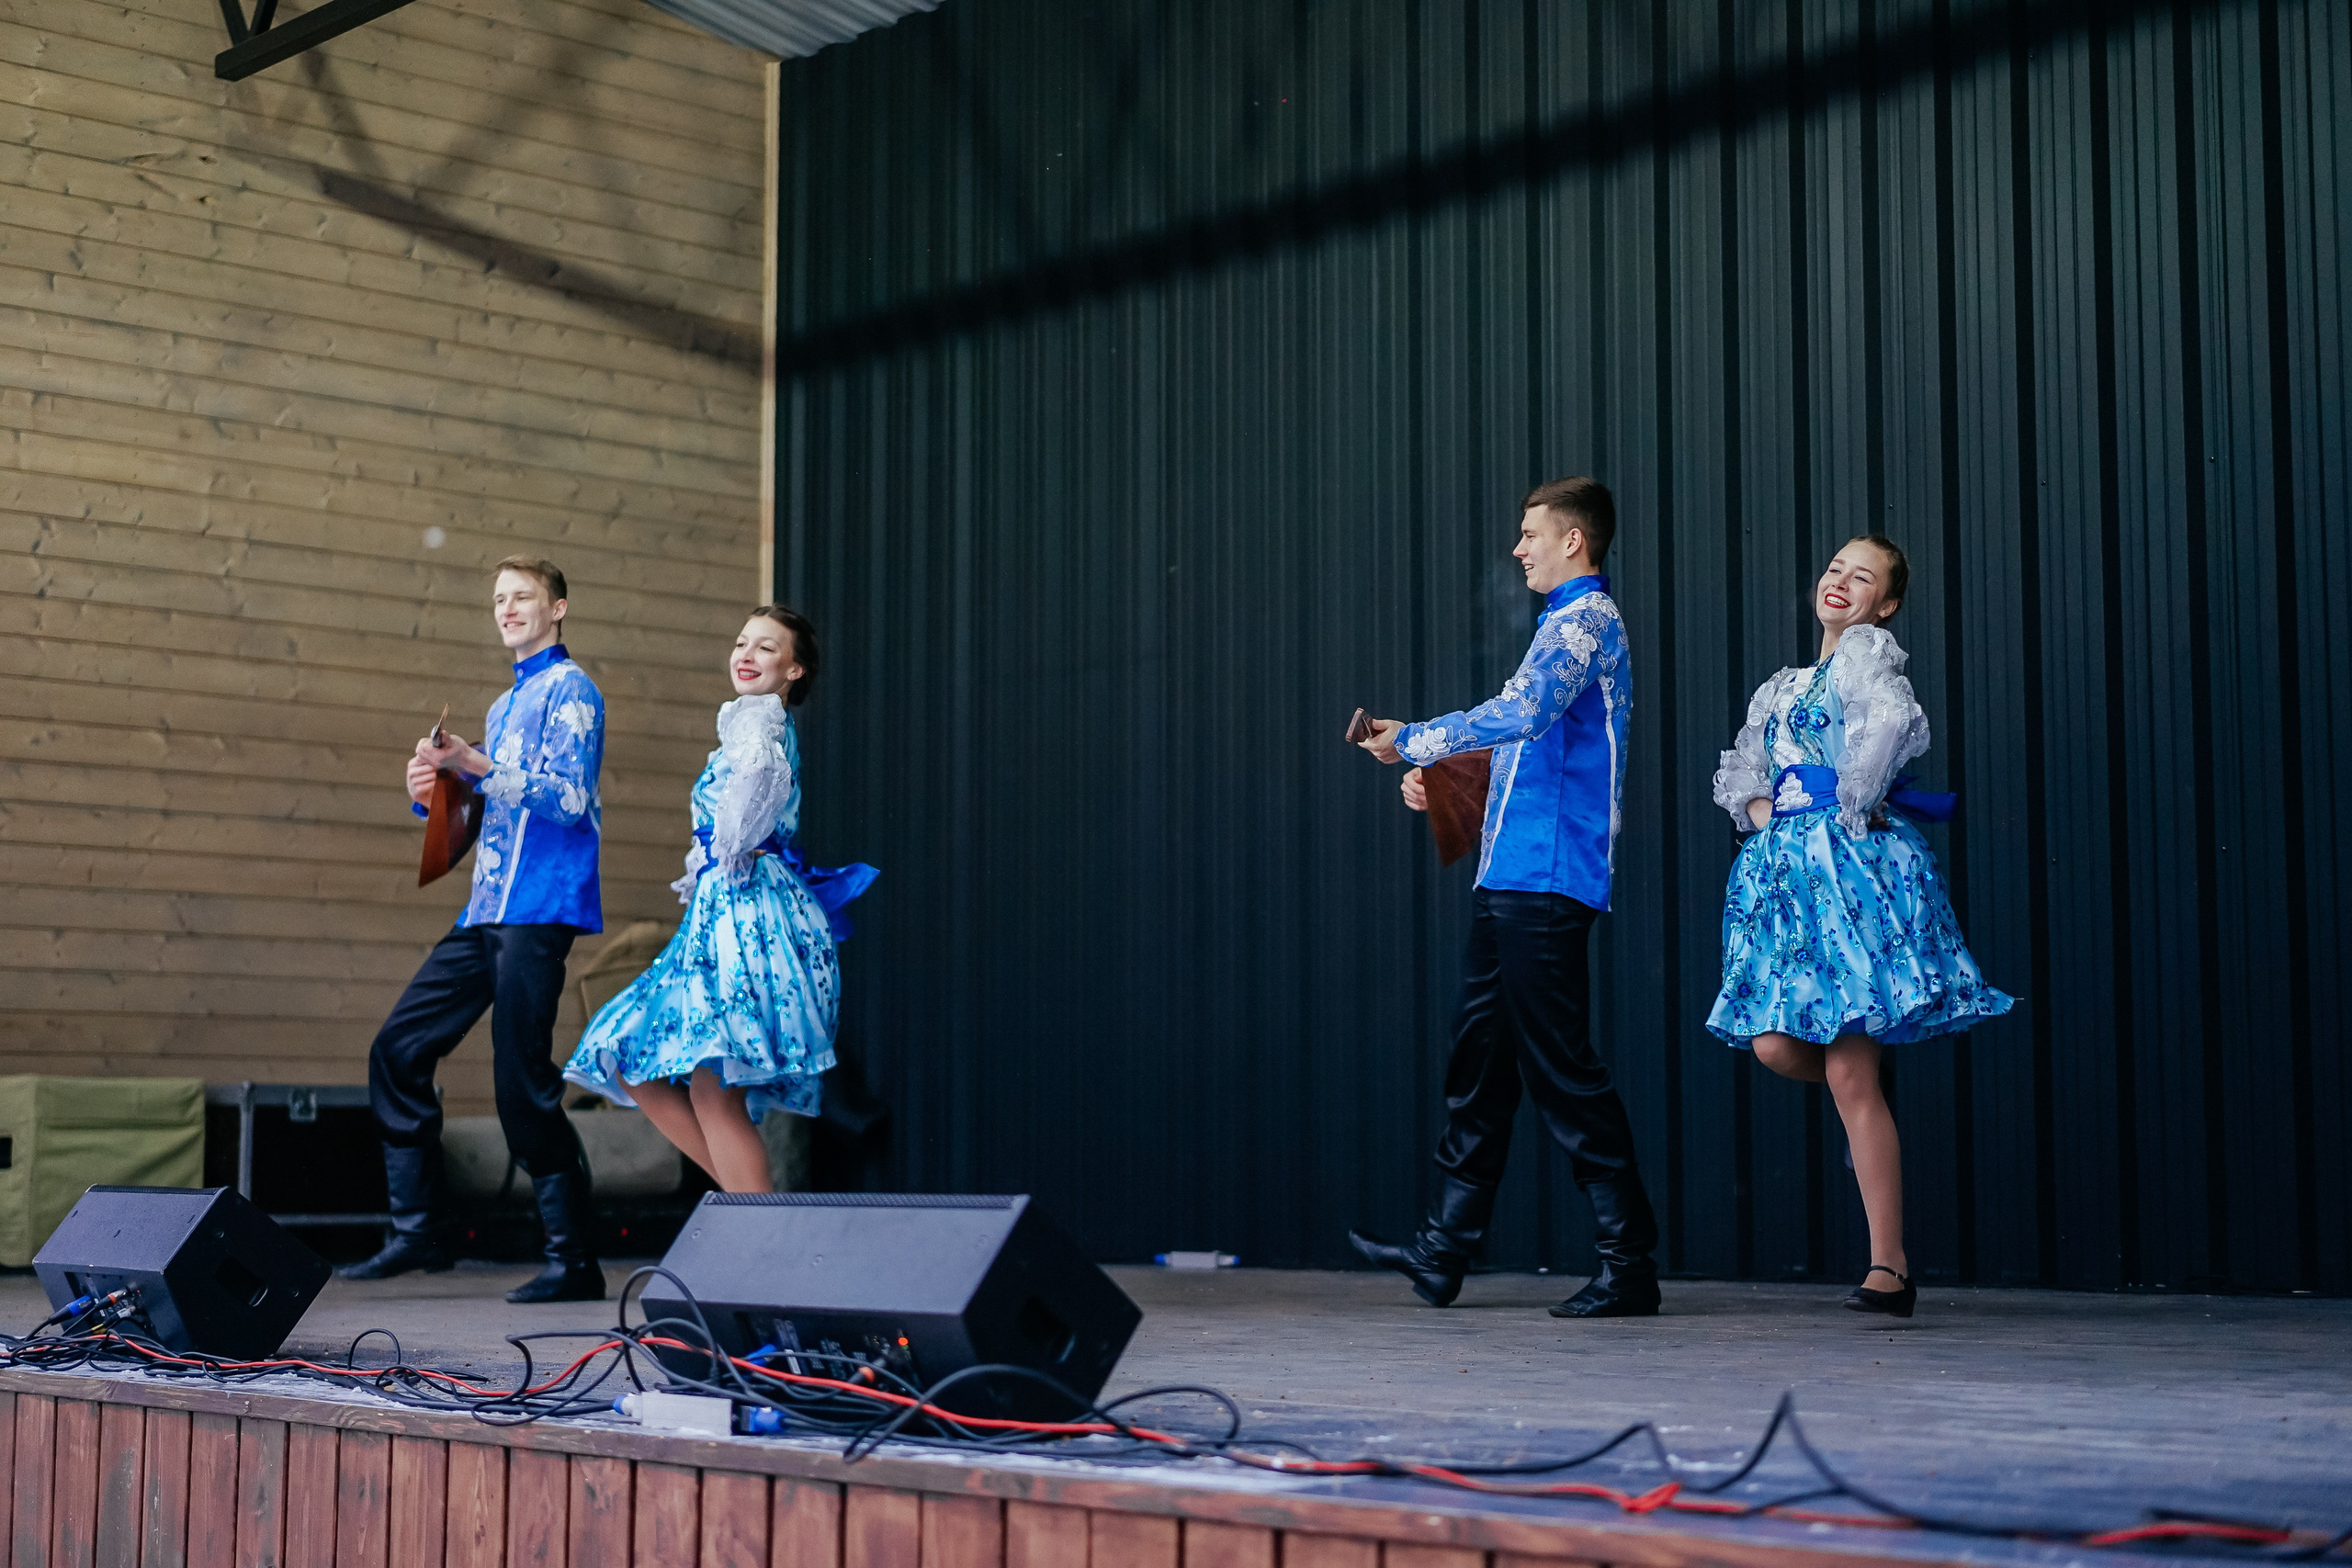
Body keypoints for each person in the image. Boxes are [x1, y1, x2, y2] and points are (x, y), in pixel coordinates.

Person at [1352, 478, 1663, 1319]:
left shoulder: (1585, 620)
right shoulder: (1561, 626)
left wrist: (1415, 739)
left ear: (1575, 542)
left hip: (1547, 879)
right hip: (1512, 874)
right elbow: (1534, 747)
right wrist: (1441, 774)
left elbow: (1524, 712)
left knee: (1561, 1068)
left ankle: (1628, 1262)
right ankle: (1442, 1249)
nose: (1519, 547)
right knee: (1481, 1060)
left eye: (1531, 534)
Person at [1707, 536, 2013, 1318]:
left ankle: (1890, 1266)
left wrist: (1847, 799)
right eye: (1836, 568)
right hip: (1786, 878)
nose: (1842, 582)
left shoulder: (1866, 654)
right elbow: (1743, 767)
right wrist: (1761, 807)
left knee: (1847, 1070)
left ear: (1887, 603)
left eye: (1864, 577)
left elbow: (1891, 720)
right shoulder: (1783, 685)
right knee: (1777, 1044)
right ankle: (1864, 1103)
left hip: (1845, 871)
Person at [343, 557, 609, 1303]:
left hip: (541, 905)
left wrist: (475, 764)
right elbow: (483, 813)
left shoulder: (572, 690)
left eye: (523, 596)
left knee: (520, 1082)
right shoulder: (500, 704)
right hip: (486, 907)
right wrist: (429, 794)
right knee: (398, 1047)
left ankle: (573, 1258)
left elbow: (568, 798)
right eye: (499, 598)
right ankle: (417, 1232)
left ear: (558, 608)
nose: (508, 607)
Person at [562, 607, 876, 1191]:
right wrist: (714, 857)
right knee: (645, 1064)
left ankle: (758, 1231)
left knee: (706, 1084)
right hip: (723, 912)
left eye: (766, 648)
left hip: (749, 912)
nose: (747, 655)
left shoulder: (759, 725)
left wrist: (731, 844)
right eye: (741, 643)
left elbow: (755, 792)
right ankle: (752, 1209)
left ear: (794, 670)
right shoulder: (744, 724)